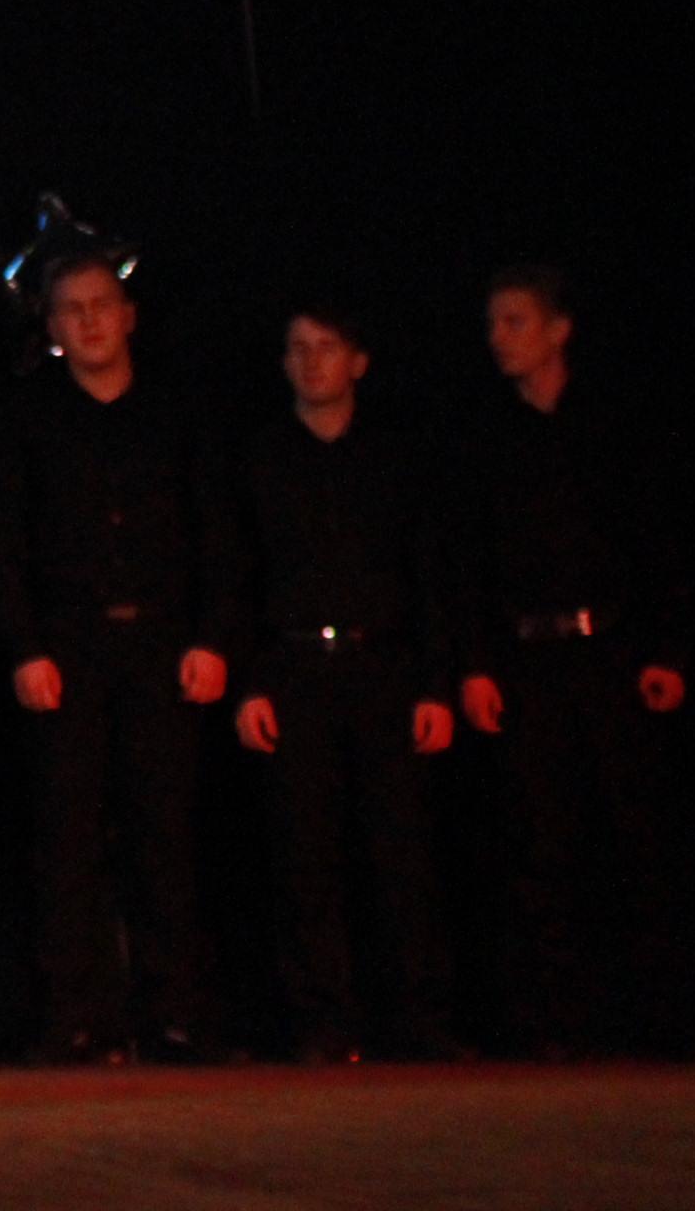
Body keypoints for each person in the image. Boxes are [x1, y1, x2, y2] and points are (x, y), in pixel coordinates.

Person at [0, 253, 234, 1064]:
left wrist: (211, 638)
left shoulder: (175, 411)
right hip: (69, 649)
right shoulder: (28, 417)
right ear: (52, 326)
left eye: (101, 305)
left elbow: (214, 533)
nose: (90, 321)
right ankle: (75, 1017)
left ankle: (176, 1013)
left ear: (128, 316)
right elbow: (6, 546)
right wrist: (26, 648)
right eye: (72, 309)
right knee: (68, 840)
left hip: (162, 645)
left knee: (166, 836)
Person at [449, 265, 695, 1055]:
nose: (499, 338)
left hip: (610, 652)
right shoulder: (489, 438)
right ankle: (556, 1022)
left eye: (516, 321)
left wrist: (666, 651)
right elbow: (470, 563)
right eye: (493, 324)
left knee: (636, 835)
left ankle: (662, 1018)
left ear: (559, 330)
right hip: (529, 658)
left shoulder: (611, 427)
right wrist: (476, 665)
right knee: (540, 843)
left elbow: (657, 545)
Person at [223, 303, 456, 1063]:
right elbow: (240, 578)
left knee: (402, 854)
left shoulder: (396, 457)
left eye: (327, 347)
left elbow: (429, 575)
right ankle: (322, 1022)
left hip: (384, 666)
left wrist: (434, 684)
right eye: (298, 348)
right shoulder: (260, 458)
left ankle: (417, 1017)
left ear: (359, 361)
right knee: (305, 860)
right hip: (294, 667)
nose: (312, 361)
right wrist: (251, 684)